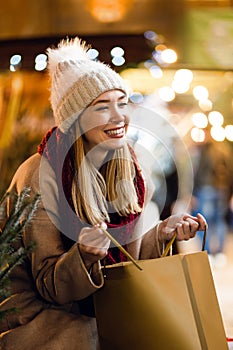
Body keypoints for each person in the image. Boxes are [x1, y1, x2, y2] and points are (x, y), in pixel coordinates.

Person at [0, 37, 207, 350]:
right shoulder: (40, 175)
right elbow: (48, 286)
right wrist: (82, 256)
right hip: (37, 319)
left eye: (121, 103)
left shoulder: (126, 172)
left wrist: (162, 234)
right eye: (101, 107)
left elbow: (126, 267)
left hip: (97, 309)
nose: (118, 117)